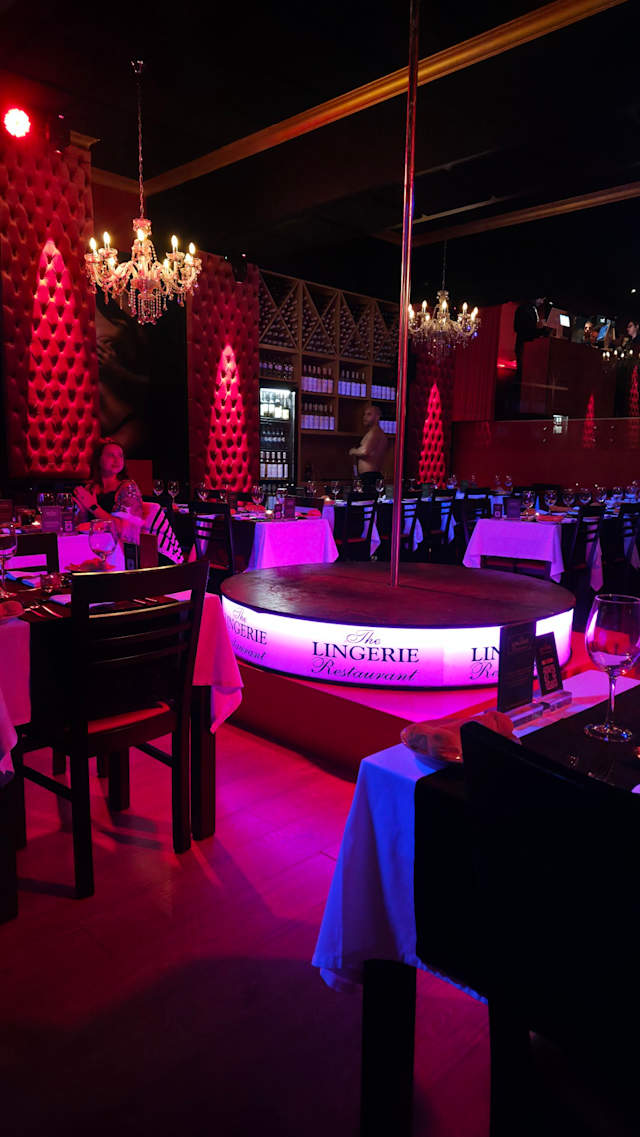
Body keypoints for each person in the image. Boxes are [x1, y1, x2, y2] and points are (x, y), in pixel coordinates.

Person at [73, 438, 141, 522]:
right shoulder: (89, 488)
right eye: (111, 455)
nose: (117, 460)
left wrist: (93, 507)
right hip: (92, 531)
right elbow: (82, 524)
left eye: (120, 455)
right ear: (98, 459)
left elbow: (124, 527)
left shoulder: (127, 488)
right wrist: (82, 512)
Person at [348, 404, 388, 494]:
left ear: (377, 417)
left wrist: (353, 451)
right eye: (364, 414)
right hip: (369, 477)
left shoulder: (375, 432)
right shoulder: (375, 432)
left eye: (369, 414)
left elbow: (364, 451)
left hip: (370, 477)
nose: (365, 417)